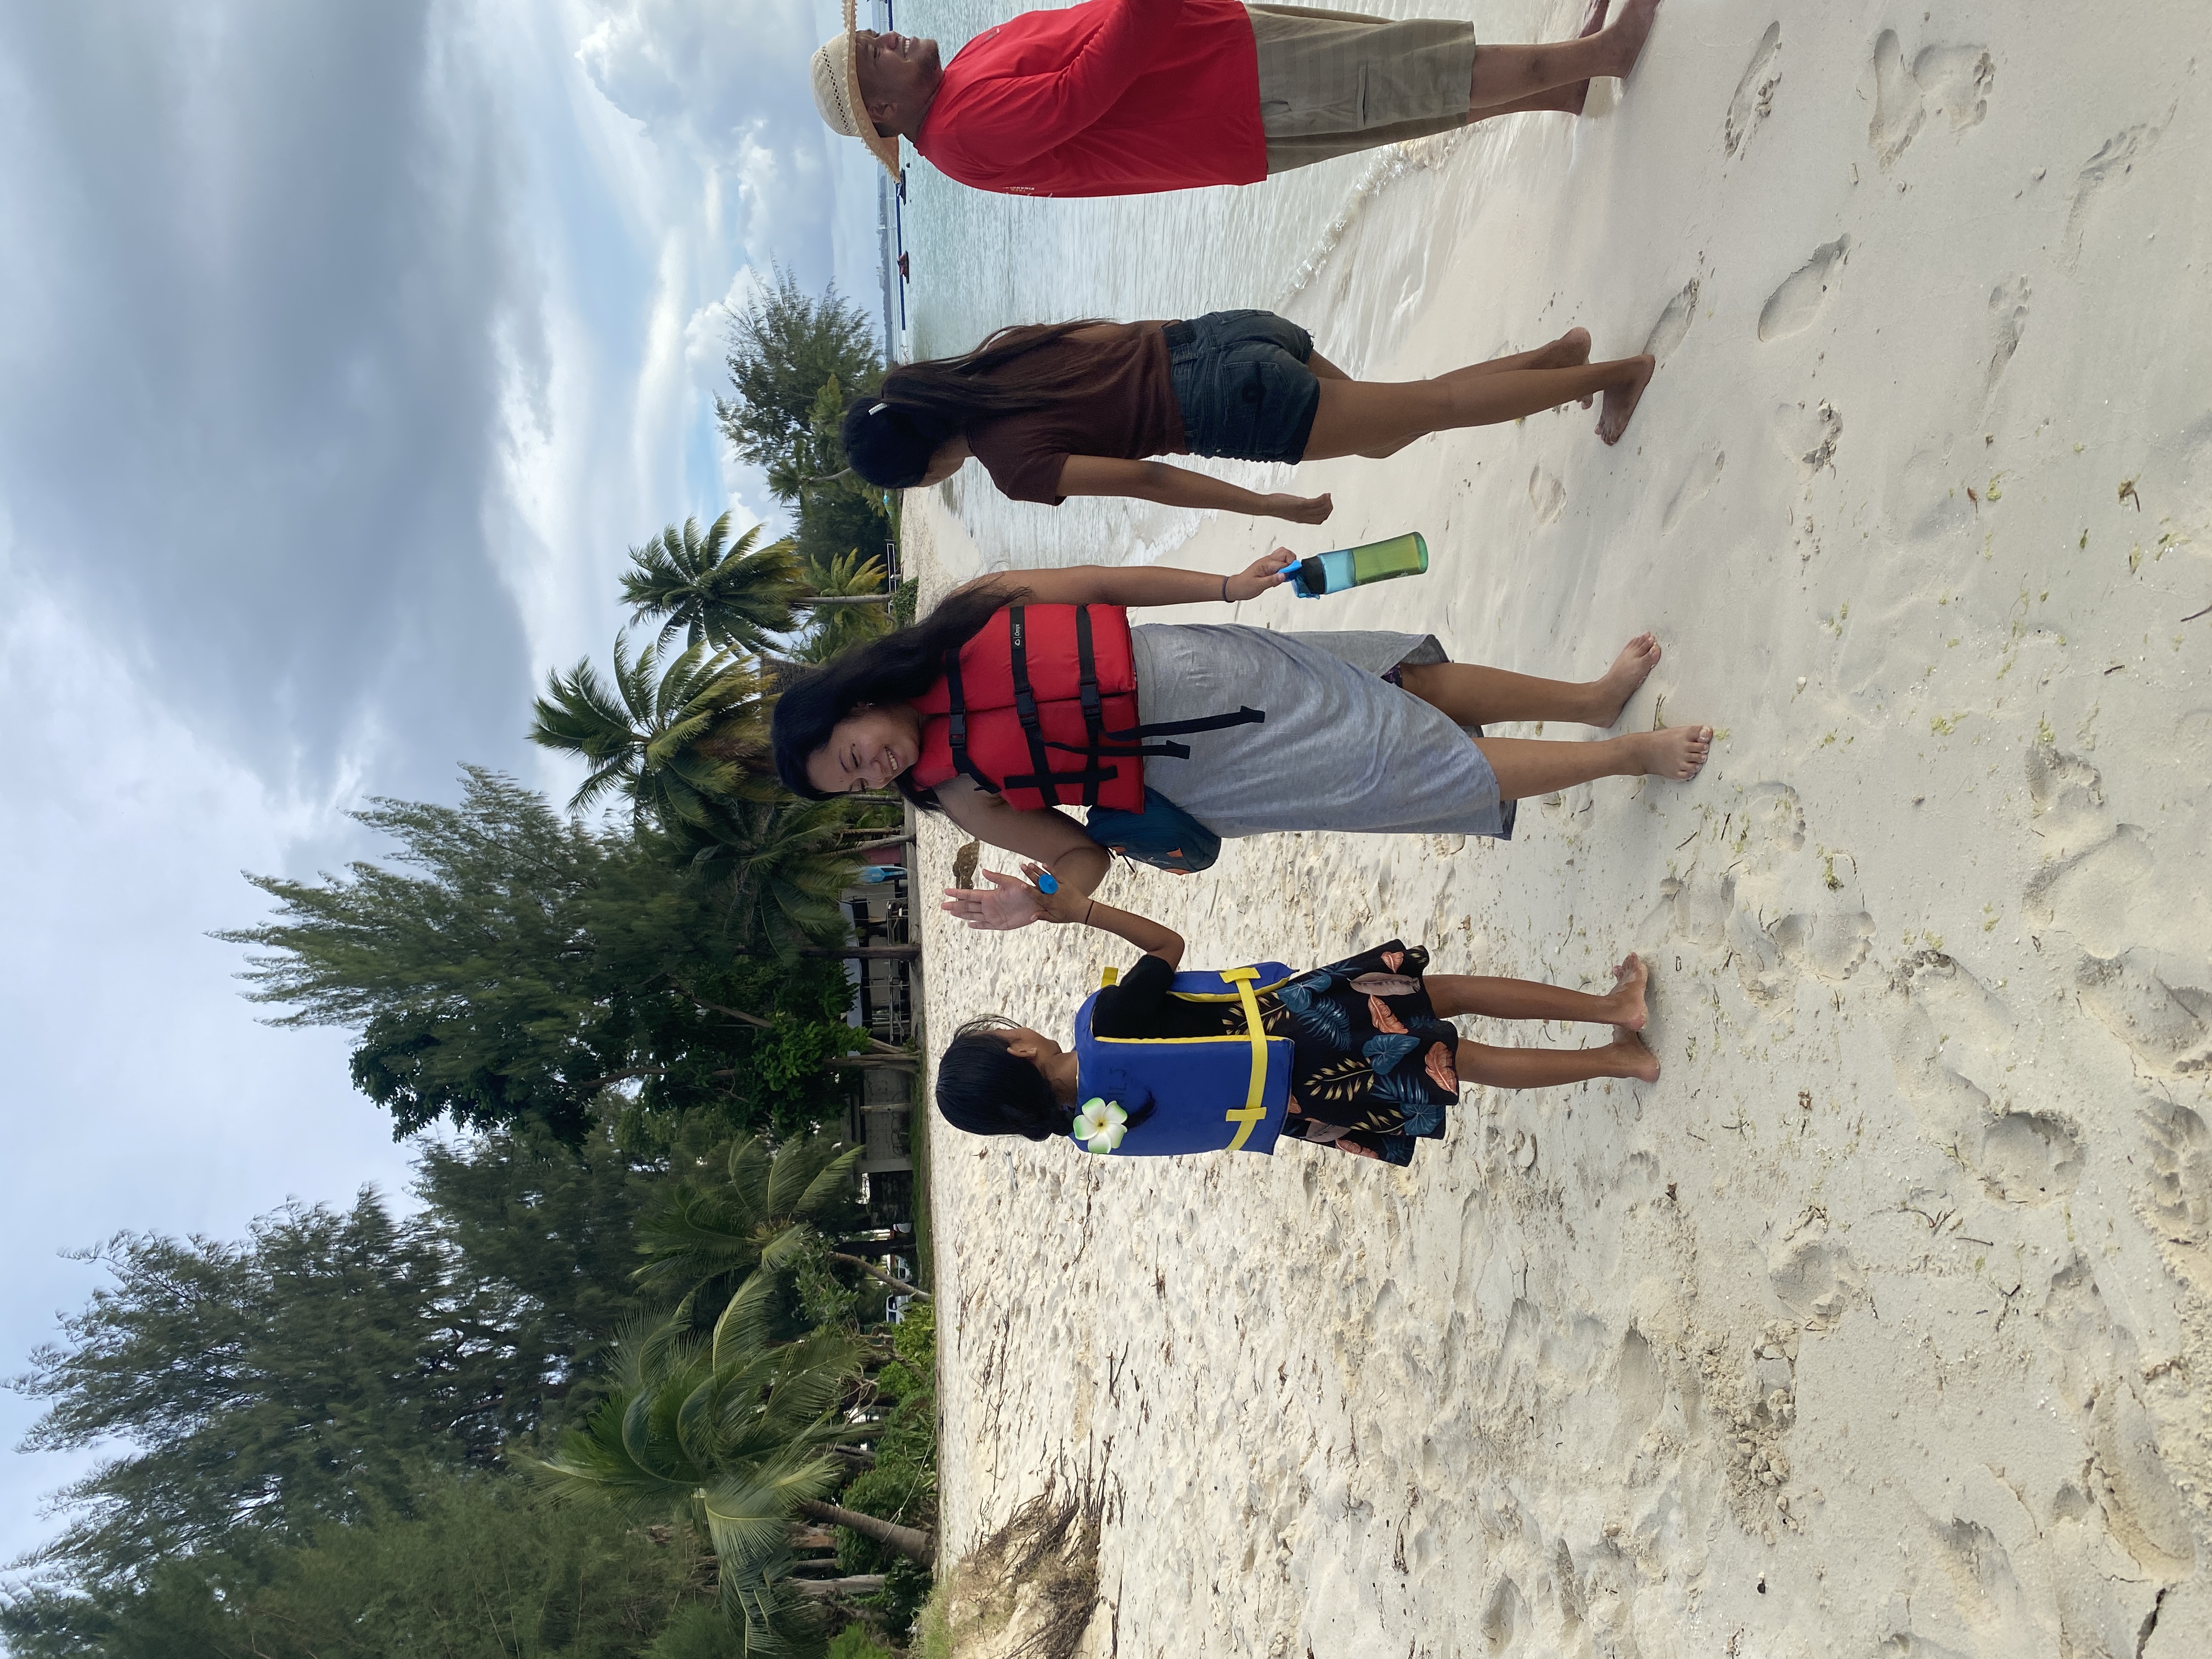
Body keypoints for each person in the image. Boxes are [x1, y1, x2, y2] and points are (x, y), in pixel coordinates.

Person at [768, 552, 1713, 928]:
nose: (874, 771)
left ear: (852, 704)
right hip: (1209, 766)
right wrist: (1044, 902)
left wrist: (1225, 584)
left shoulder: (965, 617)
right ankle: (1624, 756)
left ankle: (1590, 702)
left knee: (1396, 677)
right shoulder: (957, 791)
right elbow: (1078, 853)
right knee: (1402, 761)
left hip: (1207, 663)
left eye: (853, 755)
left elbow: (1105, 584)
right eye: (857, 785)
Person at [935, 864, 1660, 1164]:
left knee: (1462, 1064)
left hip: (1301, 1099)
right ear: (1020, 1052)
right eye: (1004, 1034)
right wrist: (1079, 910)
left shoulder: (1099, 1132)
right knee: (1453, 997)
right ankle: (1612, 1008)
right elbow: (1168, 943)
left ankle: (1616, 1059)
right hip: (1304, 1022)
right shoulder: (1105, 1023)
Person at [843, 313, 1653, 524]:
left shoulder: (1012, 468)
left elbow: (1150, 479)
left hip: (1237, 406)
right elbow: (1123, 337)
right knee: (1392, 430)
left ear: (923, 469)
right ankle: (1562, 354)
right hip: (1228, 335)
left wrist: (1267, 504)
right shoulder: (1000, 357)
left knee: (1430, 409)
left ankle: (1617, 372)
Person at [809, 0, 1660, 199]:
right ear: (882, 111)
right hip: (1229, 93)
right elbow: (1084, 90)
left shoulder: (956, 89)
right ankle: (1605, 54)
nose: (885, 39)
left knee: (1398, 80)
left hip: (1216, 62)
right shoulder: (960, 129)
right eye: (869, 57)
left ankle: (1563, 87)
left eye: (869, 37)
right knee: (1408, 71)